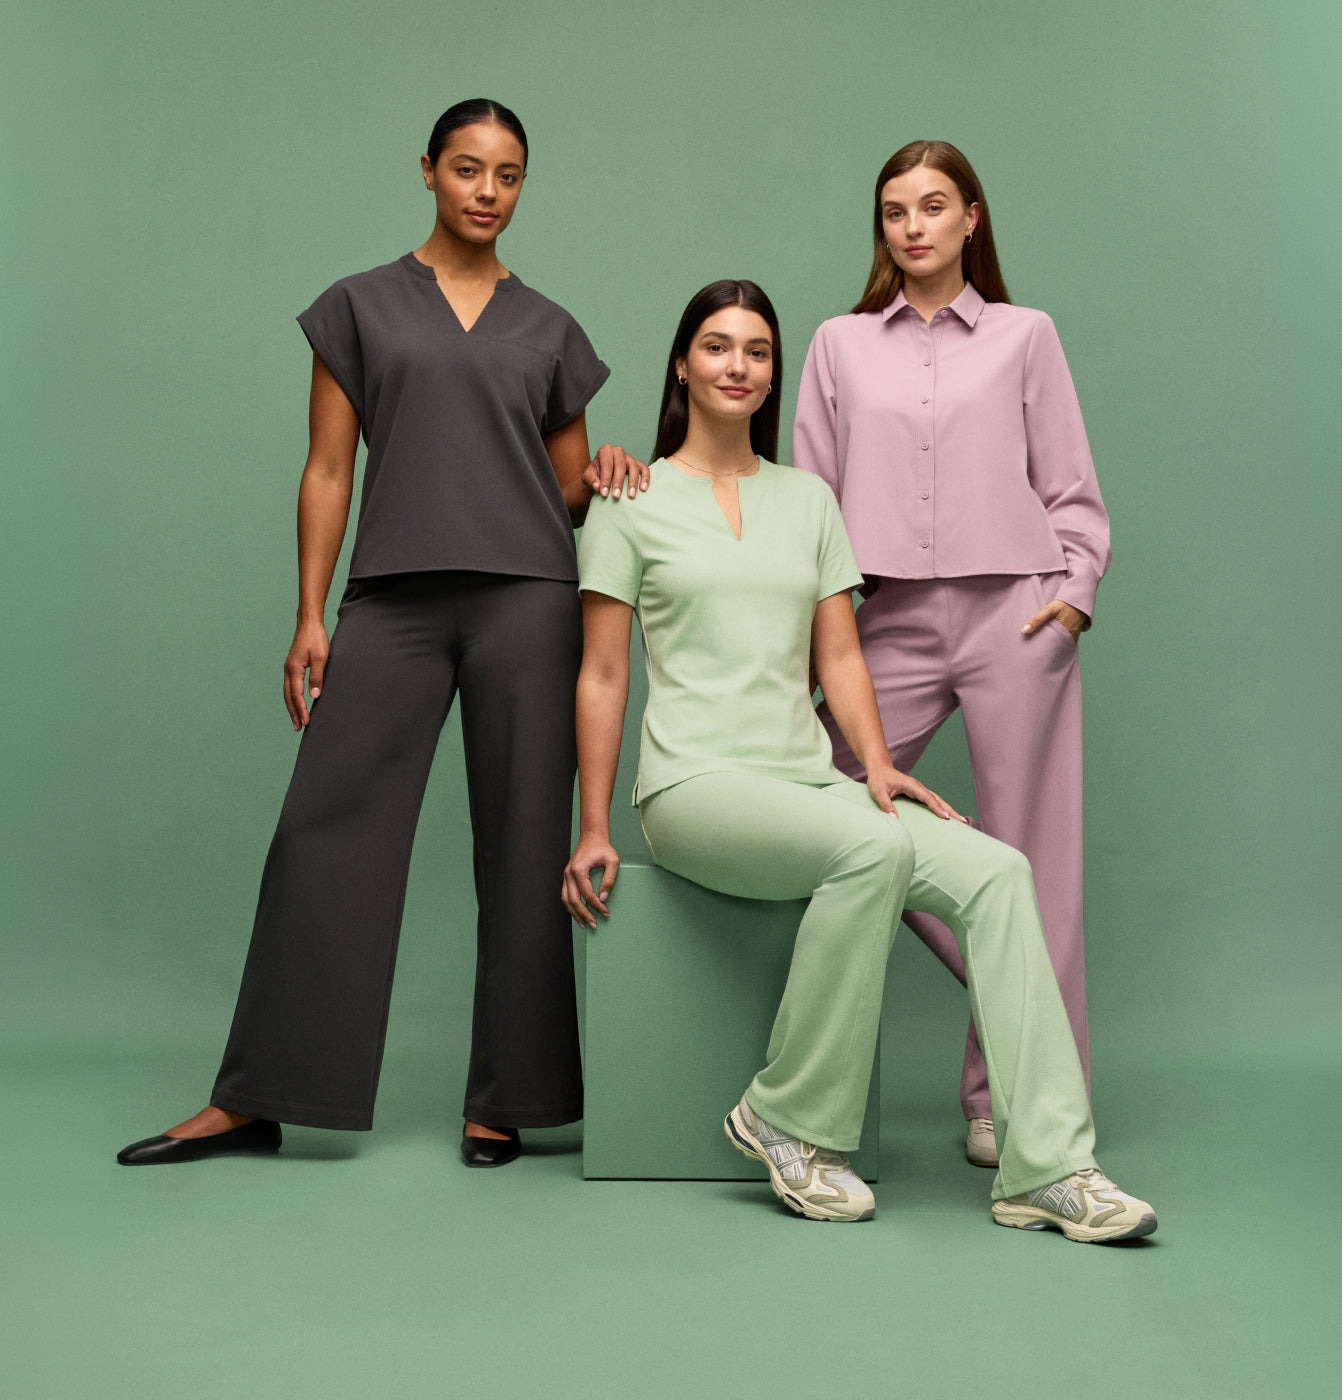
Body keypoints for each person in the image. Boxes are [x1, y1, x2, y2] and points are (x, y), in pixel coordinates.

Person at [117, 98, 647, 1171]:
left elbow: (563, 492)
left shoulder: (549, 326)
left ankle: (508, 1099)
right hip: (393, 598)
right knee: (324, 829)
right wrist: (309, 613)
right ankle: (256, 1096)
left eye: (507, 175)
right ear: (428, 171)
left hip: (527, 597)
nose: (487, 191)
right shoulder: (359, 306)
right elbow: (328, 469)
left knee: (523, 838)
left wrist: (607, 471)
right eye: (467, 168)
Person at [562, 280, 1153, 1240]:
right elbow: (601, 674)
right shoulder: (630, 501)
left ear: (773, 373)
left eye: (757, 350)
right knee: (872, 851)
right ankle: (790, 1121)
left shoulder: (808, 502)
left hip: (807, 781)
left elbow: (839, 656)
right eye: (716, 346)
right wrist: (594, 824)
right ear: (682, 364)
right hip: (695, 787)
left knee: (999, 871)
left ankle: (1046, 1167)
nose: (737, 365)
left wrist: (875, 764)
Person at [792, 141, 1110, 1171]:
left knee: (1035, 863)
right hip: (883, 616)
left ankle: (1016, 1101)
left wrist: (1072, 599)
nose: (913, 226)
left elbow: (1070, 488)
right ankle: (994, 970)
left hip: (1016, 613)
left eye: (933, 206)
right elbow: (810, 504)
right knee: (820, 798)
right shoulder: (839, 344)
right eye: (895, 211)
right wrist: (817, 628)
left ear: (971, 217)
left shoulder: (1026, 335)